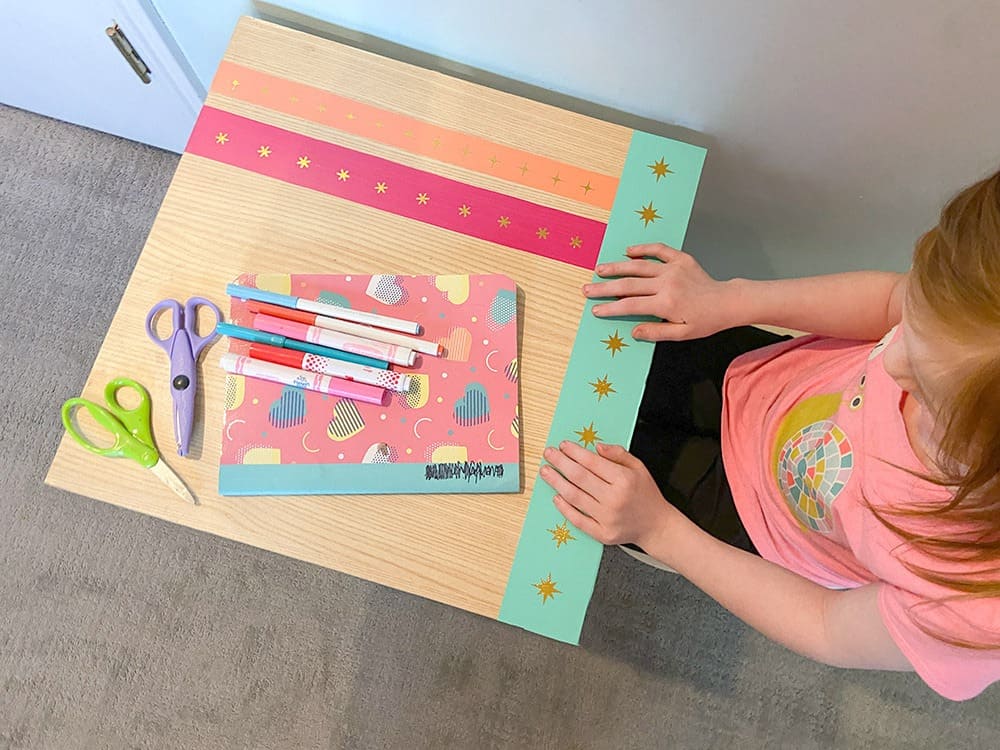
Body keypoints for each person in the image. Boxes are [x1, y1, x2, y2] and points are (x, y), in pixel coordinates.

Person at [539, 168, 1000, 701]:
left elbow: (825, 624)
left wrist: (658, 529)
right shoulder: (965, 318)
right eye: (911, 330)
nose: (889, 357)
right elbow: (890, 302)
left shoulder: (970, 608)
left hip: (747, 519)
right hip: (757, 372)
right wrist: (730, 299)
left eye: (924, 386)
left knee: (573, 473)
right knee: (577, 354)